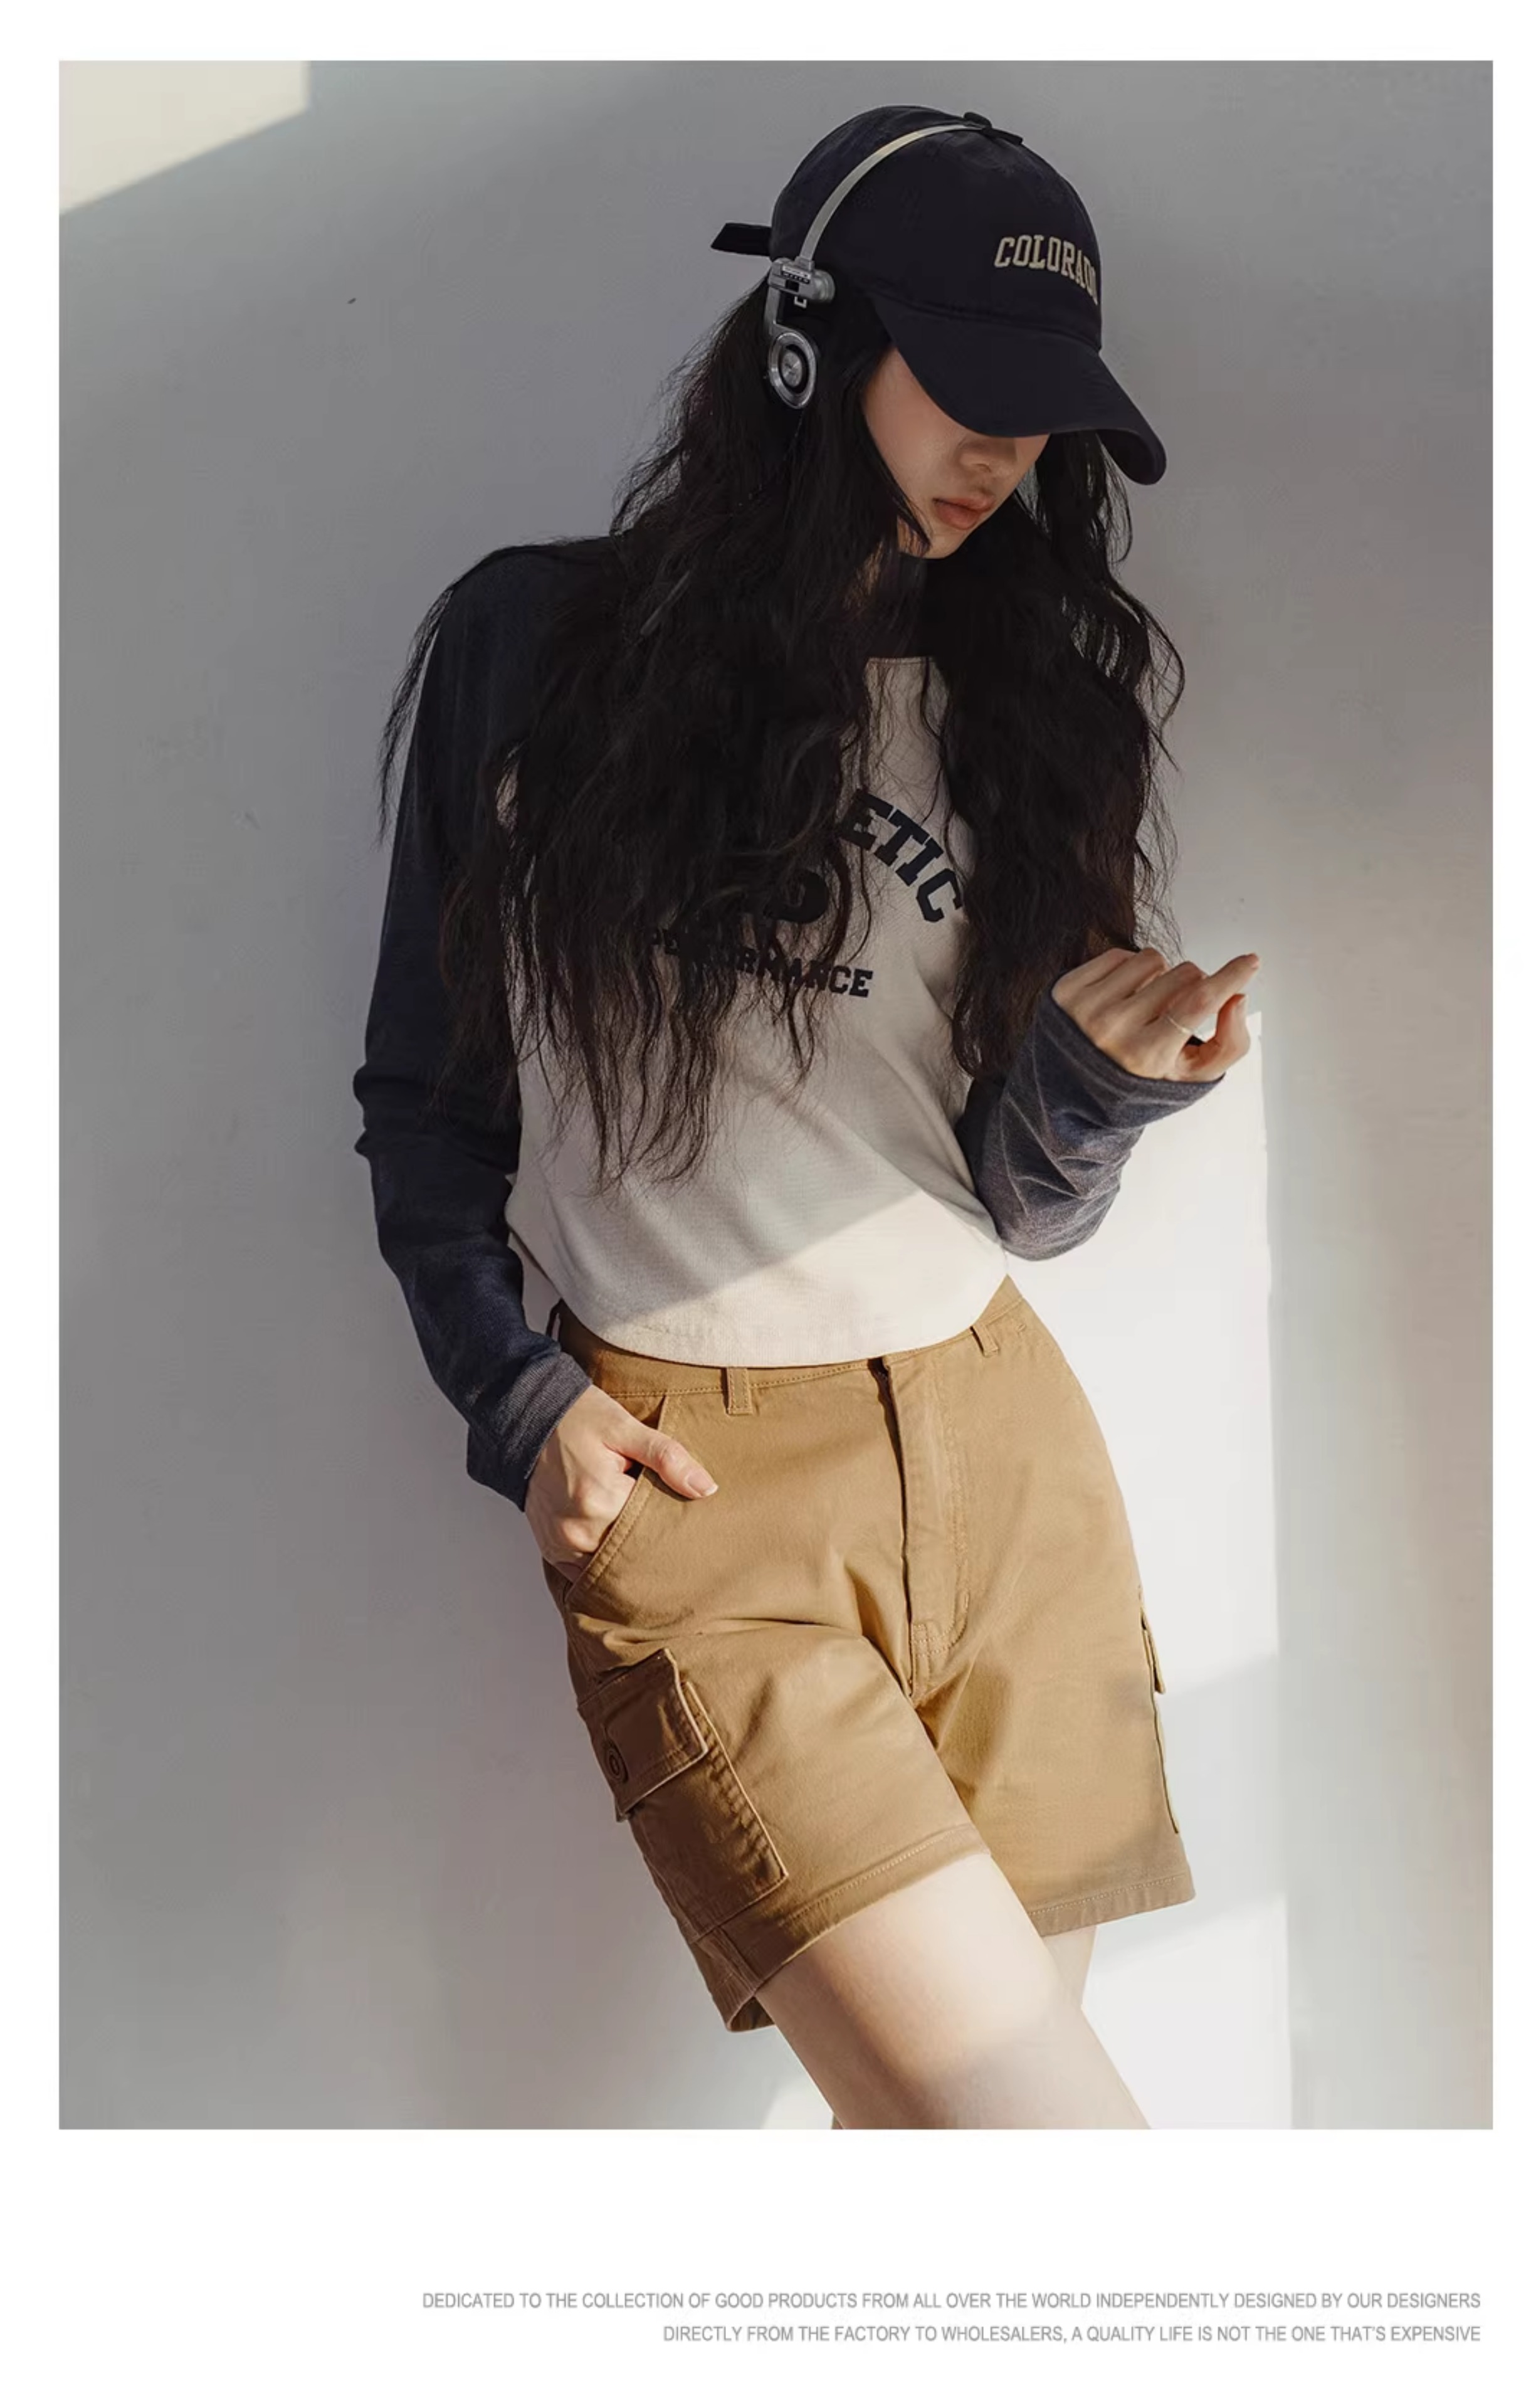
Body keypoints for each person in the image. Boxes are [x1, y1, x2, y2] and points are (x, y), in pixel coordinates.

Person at [351, 103, 1260, 2129]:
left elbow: (1021, 1204)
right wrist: (516, 1399)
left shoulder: (1041, 705)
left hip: (1002, 1462)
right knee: (1040, 2167)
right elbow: (426, 1093)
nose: (1007, 448)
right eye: (969, 382)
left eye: (1044, 409)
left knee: (969, 2206)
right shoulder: (534, 652)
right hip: (704, 1492)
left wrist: (1100, 1092)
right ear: (805, 341)